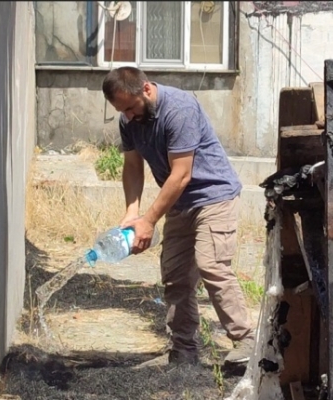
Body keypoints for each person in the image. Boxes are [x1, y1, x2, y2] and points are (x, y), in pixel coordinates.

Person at [101, 66, 255, 368]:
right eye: (122, 111)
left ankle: (247, 341)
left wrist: (148, 221)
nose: (129, 116)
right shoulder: (128, 118)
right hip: (179, 203)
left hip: (213, 196)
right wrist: (132, 211)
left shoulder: (179, 109)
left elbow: (181, 175)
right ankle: (183, 352)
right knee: (175, 276)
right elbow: (133, 166)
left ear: (146, 89)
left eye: (131, 108)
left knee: (211, 264)